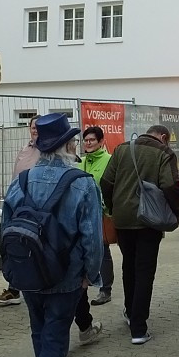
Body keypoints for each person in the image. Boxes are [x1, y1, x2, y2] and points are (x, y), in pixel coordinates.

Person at [0, 114, 102, 357]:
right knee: (56, 337)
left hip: (28, 269)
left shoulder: (22, 180)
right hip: (66, 274)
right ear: (68, 146)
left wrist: (13, 269)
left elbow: (5, 229)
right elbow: (92, 237)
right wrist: (91, 273)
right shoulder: (82, 183)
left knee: (39, 331)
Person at [100, 125, 179, 345]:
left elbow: (106, 182)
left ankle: (129, 311)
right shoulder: (165, 153)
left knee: (129, 266)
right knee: (145, 270)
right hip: (150, 220)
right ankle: (138, 327)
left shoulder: (122, 149)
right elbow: (170, 185)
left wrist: (114, 207)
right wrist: (175, 212)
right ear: (163, 137)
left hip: (123, 218)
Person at [0, 114, 41, 306]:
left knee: (31, 248)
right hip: (15, 204)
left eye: (39, 127)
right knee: (3, 240)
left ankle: (26, 286)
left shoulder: (47, 150)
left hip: (35, 208)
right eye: (33, 127)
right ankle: (14, 286)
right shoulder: (23, 150)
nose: (35, 130)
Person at [81, 126, 115, 307]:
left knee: (103, 251)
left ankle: (106, 289)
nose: (88, 143)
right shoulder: (82, 161)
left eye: (92, 140)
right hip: (83, 213)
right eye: (86, 140)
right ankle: (84, 284)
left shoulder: (110, 161)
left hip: (101, 213)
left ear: (101, 142)